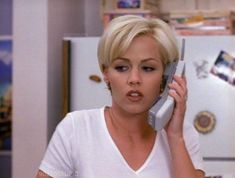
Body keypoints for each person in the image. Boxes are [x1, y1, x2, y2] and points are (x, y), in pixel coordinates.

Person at [36, 15, 205, 178]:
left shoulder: (183, 134)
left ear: (167, 75)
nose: (134, 79)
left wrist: (175, 137)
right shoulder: (75, 129)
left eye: (147, 68)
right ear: (106, 72)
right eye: (122, 67)